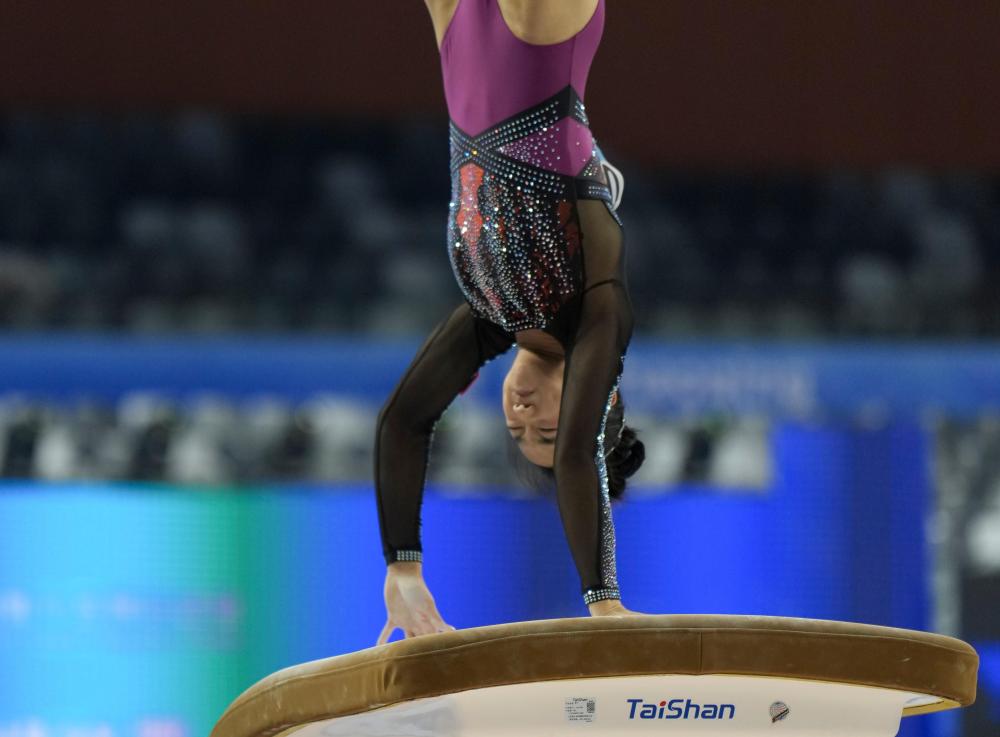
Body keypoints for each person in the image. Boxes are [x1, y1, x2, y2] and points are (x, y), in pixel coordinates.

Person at [375, 0, 645, 645]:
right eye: (545, 424)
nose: (522, 411)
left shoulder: (492, 316)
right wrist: (604, 603)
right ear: (597, 400)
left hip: (461, 42)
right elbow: (577, 458)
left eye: (516, 429)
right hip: (541, 49)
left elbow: (405, 421)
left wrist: (403, 569)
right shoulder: (599, 313)